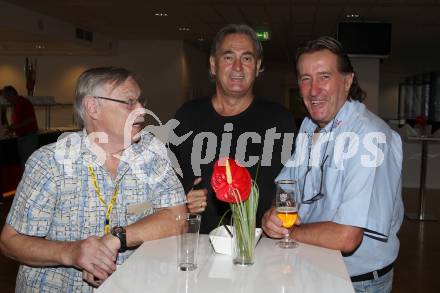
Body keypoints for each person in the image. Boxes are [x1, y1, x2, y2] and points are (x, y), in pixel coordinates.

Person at [0, 67, 187, 292]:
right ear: (93, 107)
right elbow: (11, 241)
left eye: (140, 101)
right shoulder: (50, 162)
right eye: (129, 102)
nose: (141, 109)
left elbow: (178, 217)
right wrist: (71, 252)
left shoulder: (152, 155)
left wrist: (117, 238)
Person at [262, 36, 403, 292]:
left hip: (357, 281)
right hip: (310, 265)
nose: (313, 90)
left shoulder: (369, 137)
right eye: (305, 78)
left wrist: (287, 232)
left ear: (348, 81)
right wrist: (276, 214)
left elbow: (346, 237)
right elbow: (288, 184)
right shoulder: (308, 126)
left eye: (324, 77)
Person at [171, 24, 297, 234]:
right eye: (228, 57)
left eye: (247, 58)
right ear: (213, 65)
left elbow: (291, 182)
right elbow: (166, 185)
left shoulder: (279, 120)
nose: (238, 67)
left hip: (260, 247)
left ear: (257, 67)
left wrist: (279, 209)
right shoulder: (187, 117)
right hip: (198, 247)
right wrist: (183, 201)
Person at [1, 85, 39, 166]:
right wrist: (11, 128)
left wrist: (14, 127)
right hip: (22, 138)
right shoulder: (16, 105)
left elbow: (30, 119)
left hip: (28, 138)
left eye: (6, 97)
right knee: (24, 162)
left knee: (28, 163)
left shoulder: (24, 102)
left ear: (11, 94)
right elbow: (17, 121)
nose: (6, 100)